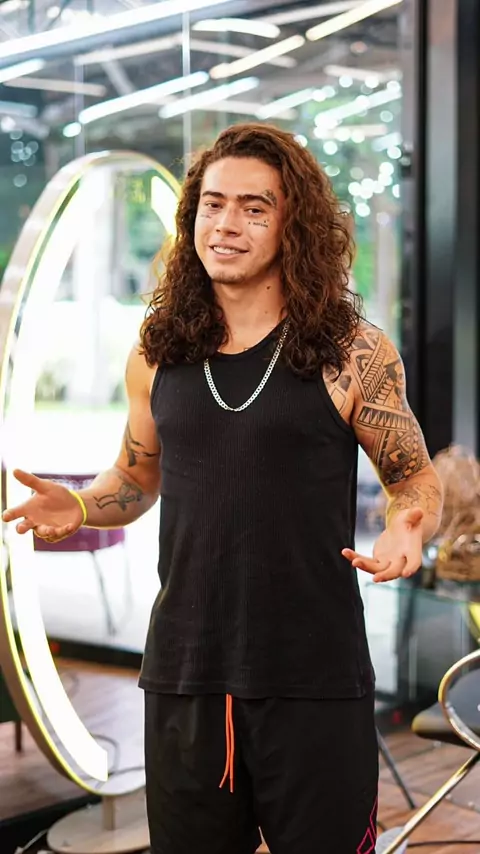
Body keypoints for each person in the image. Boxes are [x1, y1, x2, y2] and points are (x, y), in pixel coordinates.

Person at [2, 123, 443, 854]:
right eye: (213, 204)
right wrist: (79, 505)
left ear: (293, 225)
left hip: (315, 677)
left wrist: (408, 523)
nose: (226, 224)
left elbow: (413, 475)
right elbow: (137, 476)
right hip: (186, 673)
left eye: (253, 207)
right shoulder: (157, 351)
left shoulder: (352, 353)